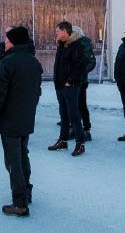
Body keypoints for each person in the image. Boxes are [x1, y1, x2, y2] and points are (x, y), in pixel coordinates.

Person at [0, 26, 43, 217]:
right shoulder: (34, 62)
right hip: (26, 116)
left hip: (11, 117)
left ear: (14, 41)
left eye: (8, 39)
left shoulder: (8, 62)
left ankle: (20, 202)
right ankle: (26, 192)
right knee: (22, 155)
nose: (5, 42)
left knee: (13, 160)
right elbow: (37, 92)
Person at [48, 21, 86, 156]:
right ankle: (63, 140)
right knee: (63, 115)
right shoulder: (61, 45)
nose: (56, 33)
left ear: (65, 31)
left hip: (70, 87)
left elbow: (80, 66)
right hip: (60, 86)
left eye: (58, 31)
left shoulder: (76, 45)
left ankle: (80, 143)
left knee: (74, 115)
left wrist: (70, 81)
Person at [72, 26, 96, 142]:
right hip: (72, 80)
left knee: (81, 105)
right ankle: (75, 128)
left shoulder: (83, 44)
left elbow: (91, 62)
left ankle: (87, 130)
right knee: (73, 106)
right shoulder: (71, 44)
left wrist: (80, 72)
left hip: (81, 81)